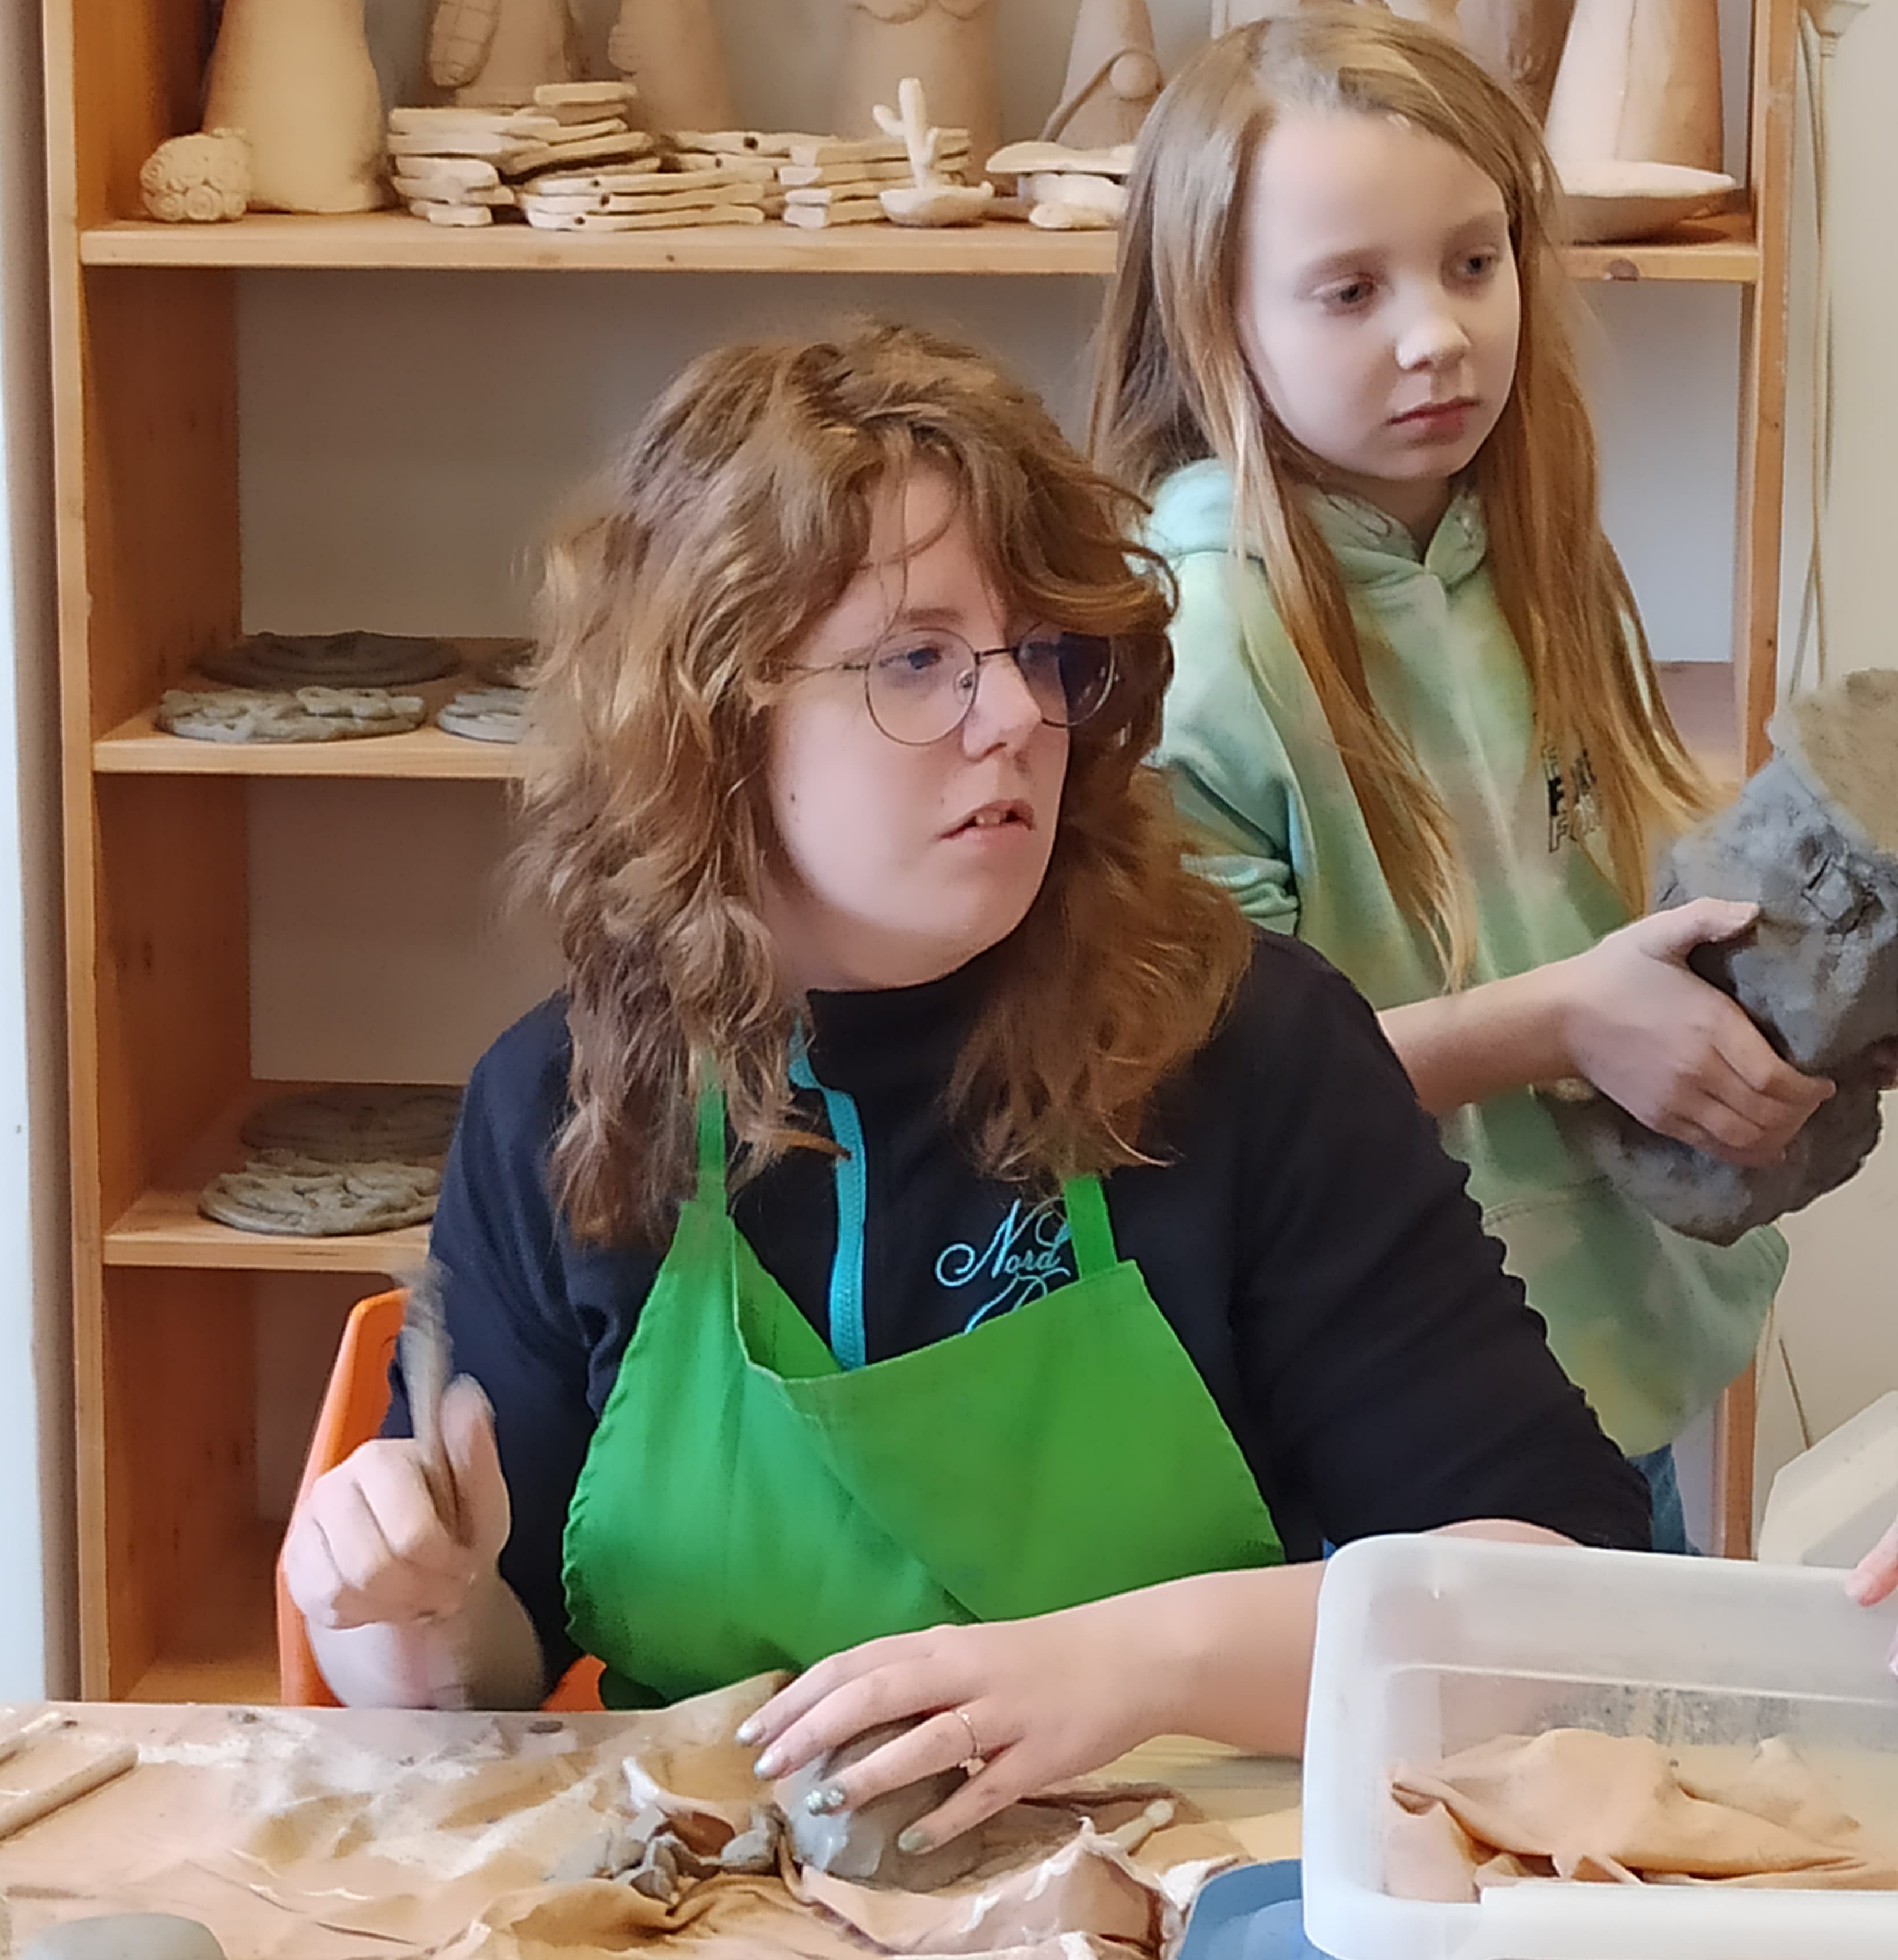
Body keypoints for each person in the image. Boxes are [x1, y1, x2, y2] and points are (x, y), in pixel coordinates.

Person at [282, 319, 1650, 1850]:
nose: (1014, 720)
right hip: (718, 1913)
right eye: (918, 662)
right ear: (715, 716)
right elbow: (485, 1689)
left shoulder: (1248, 1048)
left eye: (1041, 653)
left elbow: (1555, 1596)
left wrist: (1144, 1661)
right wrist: (414, 1610)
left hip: (1167, 1891)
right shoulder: (567, 1100)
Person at [1086, 7, 1830, 1556]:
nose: (1436, 335)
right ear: (1215, 314)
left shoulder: (1534, 558)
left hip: (1602, 1341)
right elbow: (1209, 1087)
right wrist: (1567, 1022)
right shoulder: (1199, 642)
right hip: (1370, 1399)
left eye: (1474, 263)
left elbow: (1598, 893)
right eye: (1351, 290)